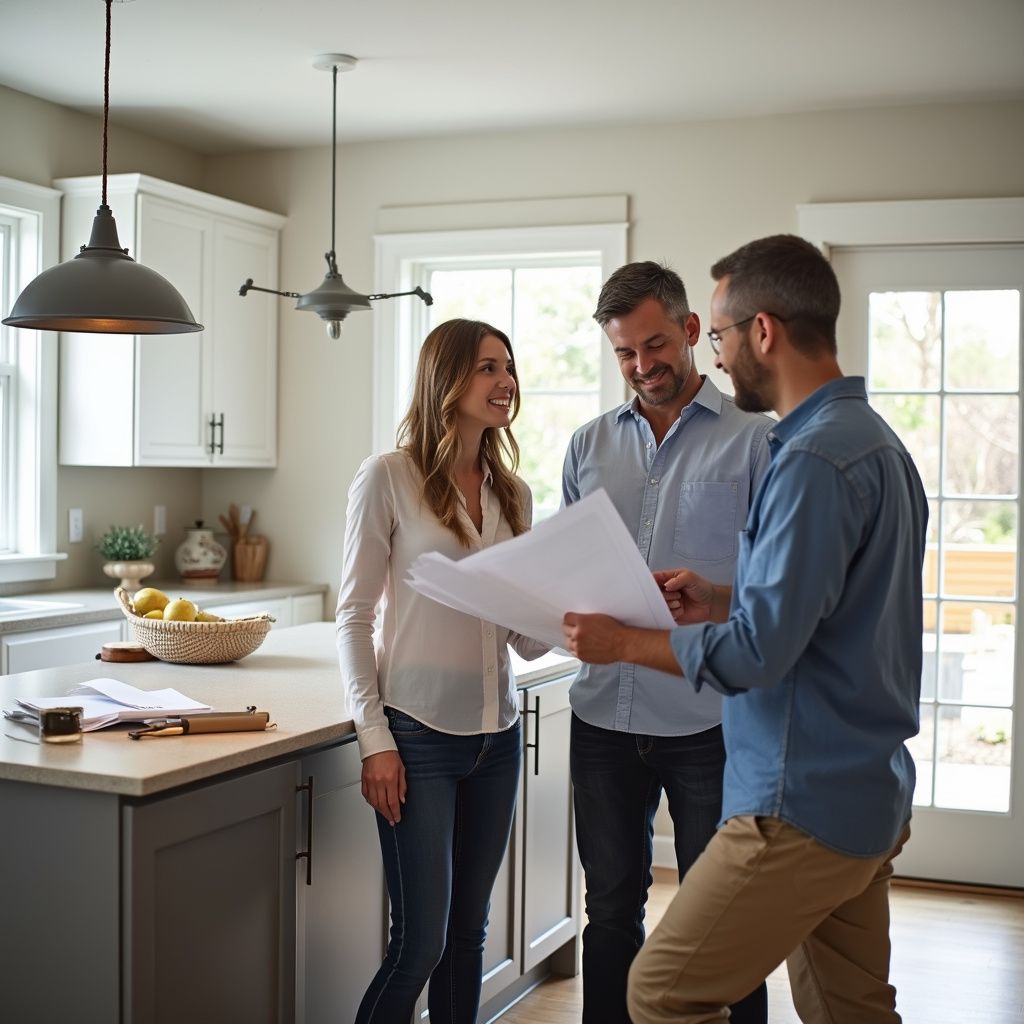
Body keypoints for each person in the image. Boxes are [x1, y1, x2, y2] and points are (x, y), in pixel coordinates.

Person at [562, 234, 928, 1024]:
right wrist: (725, 594)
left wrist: (623, 643)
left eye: (720, 335)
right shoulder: (875, 444)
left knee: (661, 991)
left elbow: (760, 652)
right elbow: (835, 607)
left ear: (760, 331)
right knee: (853, 1009)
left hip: (798, 799)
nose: (721, 358)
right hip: (867, 790)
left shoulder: (805, 459)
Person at [563, 261, 771, 1024]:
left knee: (726, 919)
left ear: (690, 331)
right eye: (624, 353)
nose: (642, 366)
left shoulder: (756, 442)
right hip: (602, 724)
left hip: (708, 722)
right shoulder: (586, 446)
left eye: (655, 345)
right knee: (610, 913)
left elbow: (776, 587)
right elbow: (571, 569)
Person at [337, 318, 546, 1024]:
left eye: (508, 367)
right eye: (488, 367)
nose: (505, 381)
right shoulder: (388, 477)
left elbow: (520, 636)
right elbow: (355, 617)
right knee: (419, 944)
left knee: (467, 940)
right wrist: (376, 740)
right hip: (417, 738)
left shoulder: (512, 494)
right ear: (446, 379)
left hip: (498, 736)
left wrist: (584, 610)